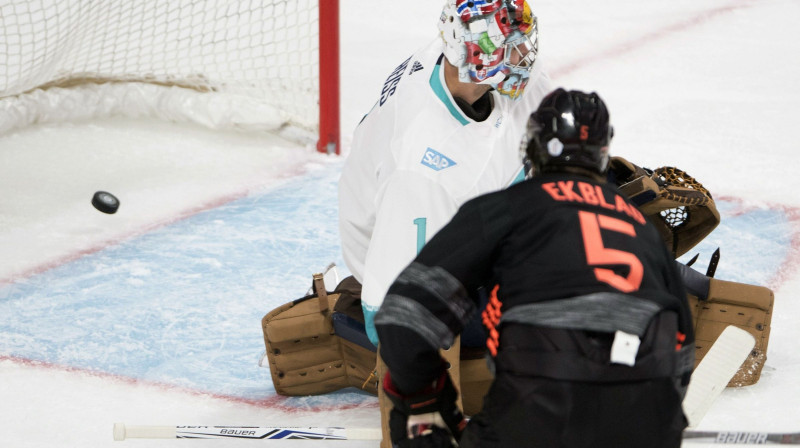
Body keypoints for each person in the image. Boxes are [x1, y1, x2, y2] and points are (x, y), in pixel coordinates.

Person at [375, 88, 695, 448]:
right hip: (650, 421)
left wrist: (430, 404)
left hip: (536, 417)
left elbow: (403, 318)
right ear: (603, 155)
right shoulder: (641, 226)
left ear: (533, 147)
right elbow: (682, 352)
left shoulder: (508, 207)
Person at [338, 0, 552, 348]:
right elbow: (398, 310)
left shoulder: (459, 56)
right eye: (516, 46)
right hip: (414, 277)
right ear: (481, 60)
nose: (527, 53)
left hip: (469, 234)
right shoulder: (421, 168)